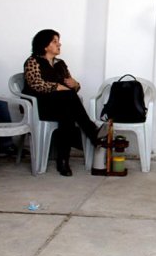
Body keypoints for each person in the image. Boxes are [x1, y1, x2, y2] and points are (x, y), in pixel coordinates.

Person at [23, 29, 102, 176]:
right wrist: (56, 86)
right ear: (45, 45)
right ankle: (92, 132)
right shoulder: (32, 61)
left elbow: (71, 87)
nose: (59, 44)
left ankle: (63, 161)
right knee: (68, 102)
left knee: (67, 112)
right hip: (39, 106)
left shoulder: (60, 64)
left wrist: (75, 84)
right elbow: (35, 84)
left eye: (58, 41)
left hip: (60, 105)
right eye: (55, 41)